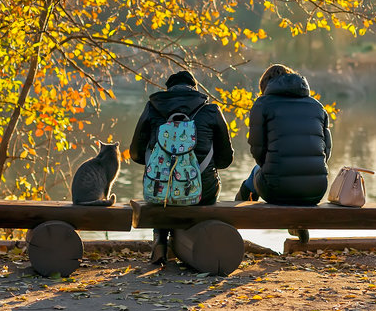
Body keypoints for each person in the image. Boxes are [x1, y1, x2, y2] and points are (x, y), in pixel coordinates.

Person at [130, 70, 233, 265]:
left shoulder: (152, 108)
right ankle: (192, 240)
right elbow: (225, 160)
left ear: (168, 90)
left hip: (160, 190)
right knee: (198, 185)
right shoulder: (211, 110)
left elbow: (135, 153)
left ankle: (160, 240)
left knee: (163, 188)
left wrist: (162, 164)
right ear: (194, 89)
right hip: (203, 189)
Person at [237, 63, 332, 206]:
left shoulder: (262, 104)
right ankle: (299, 228)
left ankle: (235, 220)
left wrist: (268, 166)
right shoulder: (317, 106)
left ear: (265, 86)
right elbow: (326, 151)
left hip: (276, 189)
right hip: (316, 190)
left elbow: (257, 149)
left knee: (255, 174)